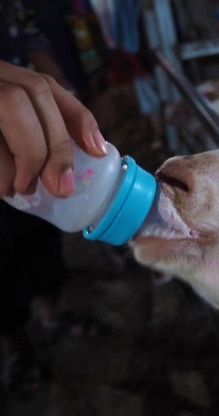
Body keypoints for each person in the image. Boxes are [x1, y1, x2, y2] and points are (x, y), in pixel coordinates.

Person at [0, 0, 106, 396]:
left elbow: (30, 35)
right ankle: (19, 348)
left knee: (43, 226)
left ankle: (54, 310)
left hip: (30, 127)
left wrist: (62, 90)